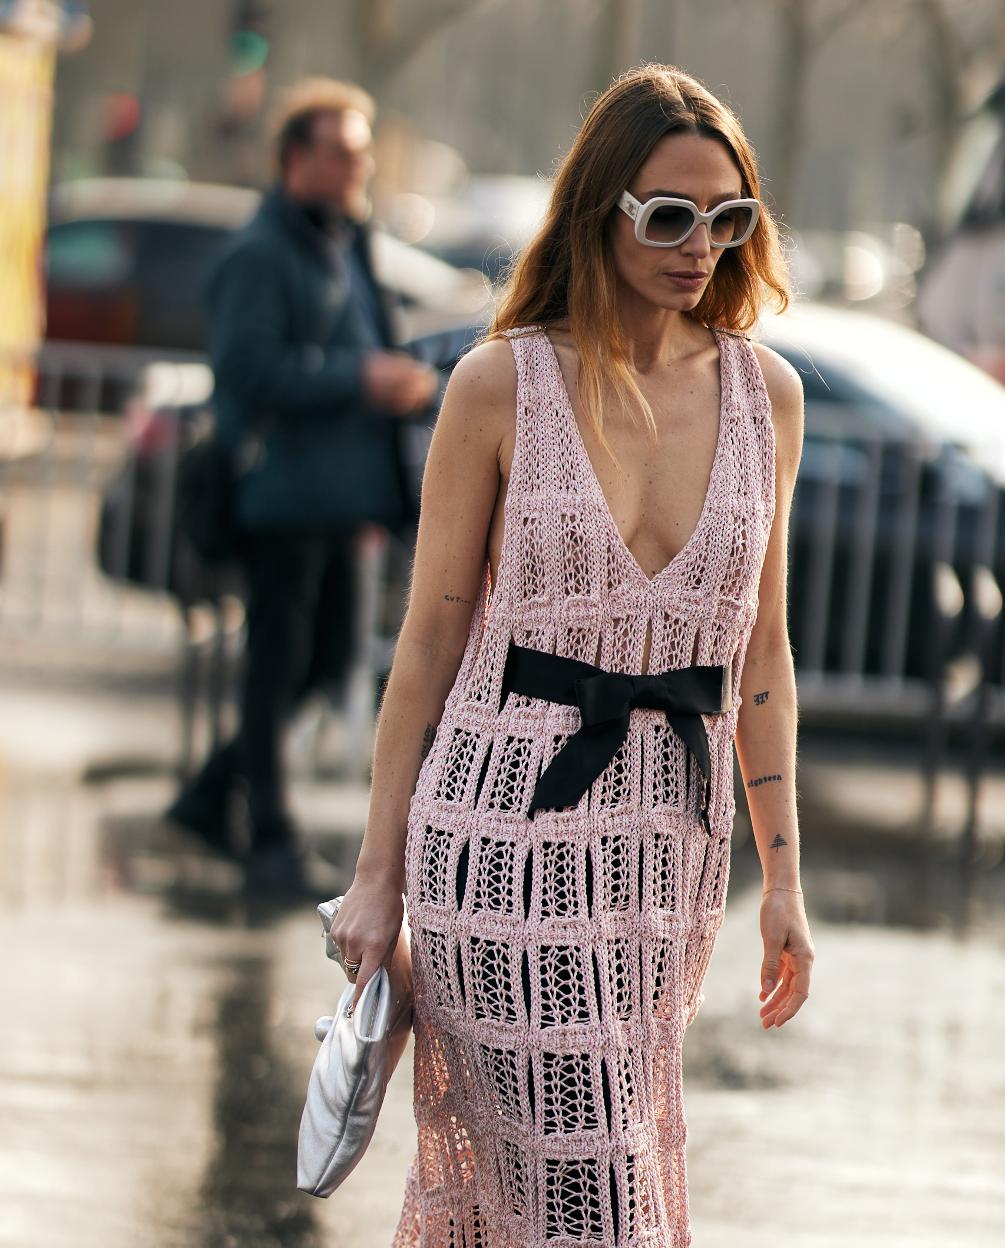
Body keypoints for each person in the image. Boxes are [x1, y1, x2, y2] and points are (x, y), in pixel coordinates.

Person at [329, 64, 815, 1244]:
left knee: (581, 1170)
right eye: (668, 215)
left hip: (666, 862)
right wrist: (377, 870)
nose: (701, 245)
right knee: (592, 1188)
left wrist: (786, 883)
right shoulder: (499, 386)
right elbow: (431, 640)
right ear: (603, 209)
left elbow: (762, 660)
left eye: (728, 219)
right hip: (501, 839)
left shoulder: (770, 398)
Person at [163, 77, 437, 895]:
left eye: (364, 150)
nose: (361, 165)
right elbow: (248, 370)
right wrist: (362, 378)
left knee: (327, 662)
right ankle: (269, 837)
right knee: (277, 666)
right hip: (283, 499)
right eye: (345, 151)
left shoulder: (346, 239)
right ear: (297, 159)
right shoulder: (259, 253)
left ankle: (215, 795)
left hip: (342, 498)